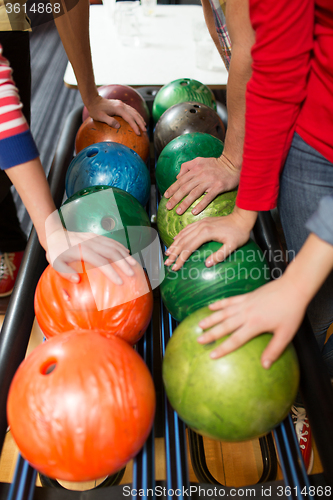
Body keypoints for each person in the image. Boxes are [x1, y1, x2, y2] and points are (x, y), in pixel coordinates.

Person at [165, 0, 333, 473]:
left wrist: (294, 284)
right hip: (316, 127)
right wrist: (245, 212)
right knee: (313, 302)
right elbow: (273, 70)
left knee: (305, 284)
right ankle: (307, 392)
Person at [0, 0, 146, 295]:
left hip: (7, 18)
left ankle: (6, 235)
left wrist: (90, 94)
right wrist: (50, 228)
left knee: (13, 148)